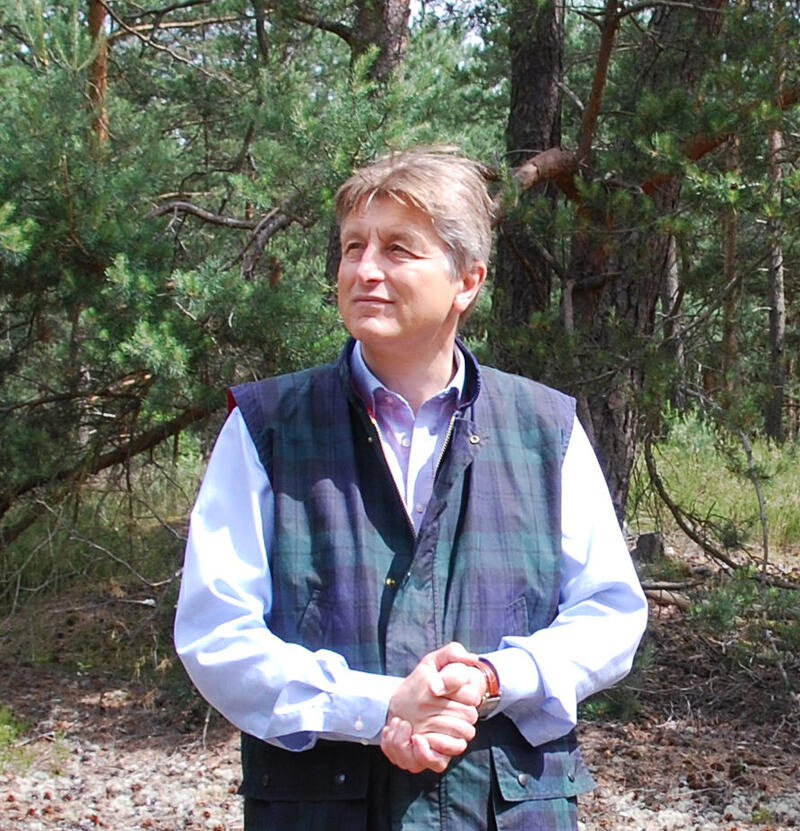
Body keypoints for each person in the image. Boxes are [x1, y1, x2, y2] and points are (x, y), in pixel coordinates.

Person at [174, 148, 648, 831]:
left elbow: (610, 614)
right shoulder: (267, 427)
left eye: (398, 248)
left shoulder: (545, 428)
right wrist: (381, 706)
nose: (364, 269)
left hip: (504, 811)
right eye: (353, 247)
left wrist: (491, 678)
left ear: (467, 281)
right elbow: (217, 634)